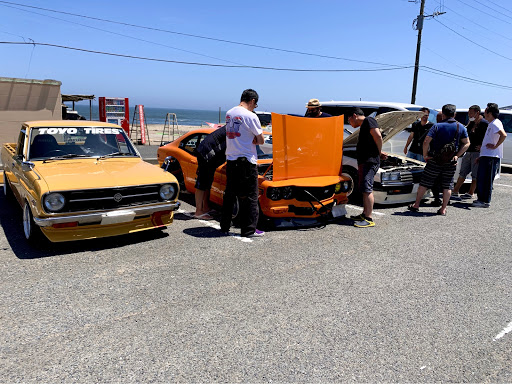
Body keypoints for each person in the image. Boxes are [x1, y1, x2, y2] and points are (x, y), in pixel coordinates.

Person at [408, 104, 470, 215]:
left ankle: (416, 205)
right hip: (451, 161)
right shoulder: (460, 127)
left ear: (443, 114)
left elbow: (426, 141)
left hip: (434, 159)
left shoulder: (437, 126)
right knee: (447, 185)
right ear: (454, 114)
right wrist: (457, 155)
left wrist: (425, 154)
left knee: (425, 182)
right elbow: (466, 143)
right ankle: (443, 209)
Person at [220, 89, 265, 237]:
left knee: (230, 195)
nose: (254, 107)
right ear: (252, 101)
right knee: (250, 197)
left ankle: (225, 226)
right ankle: (248, 230)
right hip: (246, 160)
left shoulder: (229, 113)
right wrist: (254, 139)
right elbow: (261, 139)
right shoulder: (251, 116)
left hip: (232, 159)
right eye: (255, 104)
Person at [347, 107, 383, 228]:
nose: (350, 123)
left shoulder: (369, 120)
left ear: (354, 116)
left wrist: (378, 152)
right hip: (365, 161)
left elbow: (378, 136)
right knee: (364, 188)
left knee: (367, 189)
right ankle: (364, 213)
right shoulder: (365, 124)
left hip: (369, 161)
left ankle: (368, 218)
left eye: (349, 120)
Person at [472, 103, 507, 208]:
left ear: (490, 113)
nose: (484, 113)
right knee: (482, 178)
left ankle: (484, 201)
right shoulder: (491, 123)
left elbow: (503, 135)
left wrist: (495, 146)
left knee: (486, 179)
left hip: (491, 157)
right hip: (486, 156)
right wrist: (481, 156)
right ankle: (481, 199)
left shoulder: (495, 123)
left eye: (486, 111)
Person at [451, 105, 488, 201]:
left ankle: (471, 192)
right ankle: (455, 191)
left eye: (471, 113)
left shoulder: (484, 124)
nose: (469, 115)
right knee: (463, 171)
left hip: (477, 152)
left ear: (477, 113)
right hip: (468, 151)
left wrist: (483, 147)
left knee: (475, 174)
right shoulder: (471, 123)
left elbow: (489, 138)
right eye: (469, 113)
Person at [193, 125, 227, 219]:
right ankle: (198, 212)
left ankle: (206, 207)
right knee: (202, 182)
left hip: (209, 154)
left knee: (207, 181)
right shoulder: (235, 129)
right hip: (207, 153)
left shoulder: (233, 126)